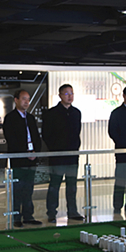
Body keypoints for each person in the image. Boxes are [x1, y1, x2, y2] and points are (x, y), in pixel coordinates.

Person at [42, 84, 84, 223]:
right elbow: (46, 135)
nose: (70, 96)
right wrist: (55, 149)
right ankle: (51, 213)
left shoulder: (76, 113)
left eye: (71, 93)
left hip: (72, 156)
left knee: (72, 186)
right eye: (66, 93)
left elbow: (77, 132)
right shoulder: (51, 113)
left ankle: (72, 211)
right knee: (55, 185)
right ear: (60, 95)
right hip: (57, 156)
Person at [3, 89, 43, 228]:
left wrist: (35, 152)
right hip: (19, 159)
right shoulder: (10, 118)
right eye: (24, 98)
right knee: (18, 189)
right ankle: (16, 217)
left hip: (32, 159)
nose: (26, 102)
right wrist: (25, 152)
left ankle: (28, 216)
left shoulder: (30, 118)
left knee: (29, 189)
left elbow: (36, 137)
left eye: (28, 99)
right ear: (16, 100)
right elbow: (11, 139)